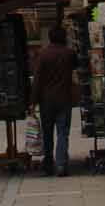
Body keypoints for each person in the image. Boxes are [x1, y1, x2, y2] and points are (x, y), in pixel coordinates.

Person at [32, 23, 79, 176]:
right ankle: (61, 165)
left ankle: (48, 164)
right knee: (63, 132)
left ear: (50, 38)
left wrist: (33, 101)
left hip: (46, 101)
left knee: (47, 133)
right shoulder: (69, 53)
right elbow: (76, 68)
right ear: (64, 37)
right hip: (64, 99)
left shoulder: (43, 55)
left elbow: (37, 80)